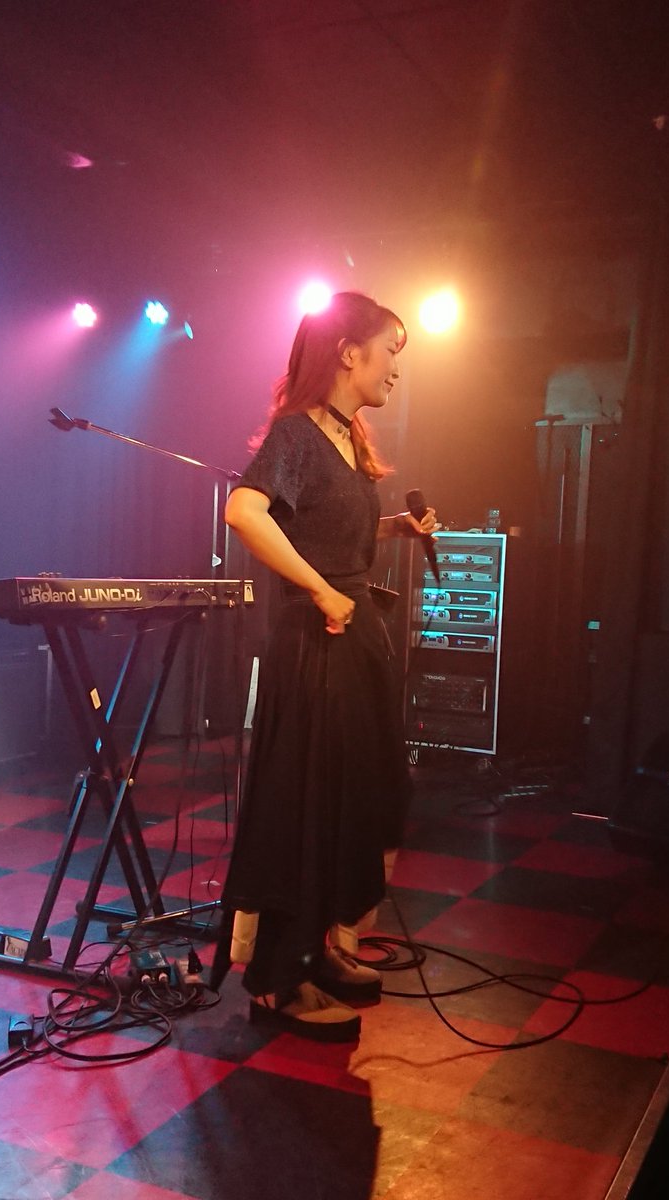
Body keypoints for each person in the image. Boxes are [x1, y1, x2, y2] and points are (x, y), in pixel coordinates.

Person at [211, 291, 436, 1042]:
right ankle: (280, 977)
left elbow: (322, 526)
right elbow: (244, 512)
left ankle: (317, 949)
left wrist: (394, 527)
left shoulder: (343, 438)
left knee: (357, 797)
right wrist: (318, 590)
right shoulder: (297, 433)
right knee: (304, 806)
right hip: (317, 642)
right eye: (390, 351)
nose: (396, 369)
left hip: (352, 637)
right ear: (348, 352)